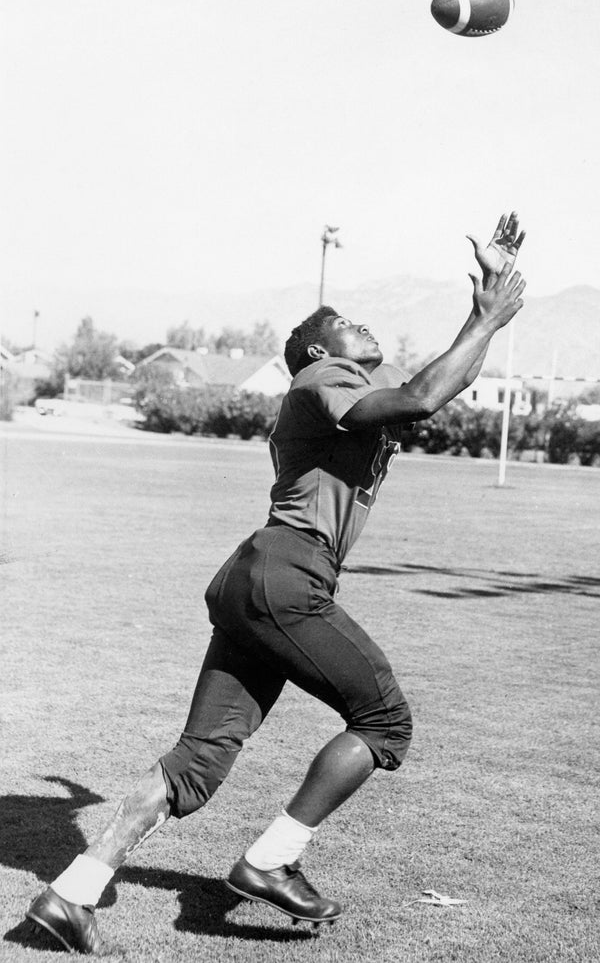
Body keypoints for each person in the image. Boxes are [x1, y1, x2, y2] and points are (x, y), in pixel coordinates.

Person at [26, 214, 525, 954]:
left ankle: (72, 891)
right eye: (348, 323)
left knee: (197, 762)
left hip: (257, 580)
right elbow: (422, 395)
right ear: (321, 350)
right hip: (286, 576)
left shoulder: (351, 389)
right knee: (384, 722)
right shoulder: (322, 377)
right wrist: (486, 313)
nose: (364, 328)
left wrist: (484, 304)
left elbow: (441, 382)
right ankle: (270, 858)